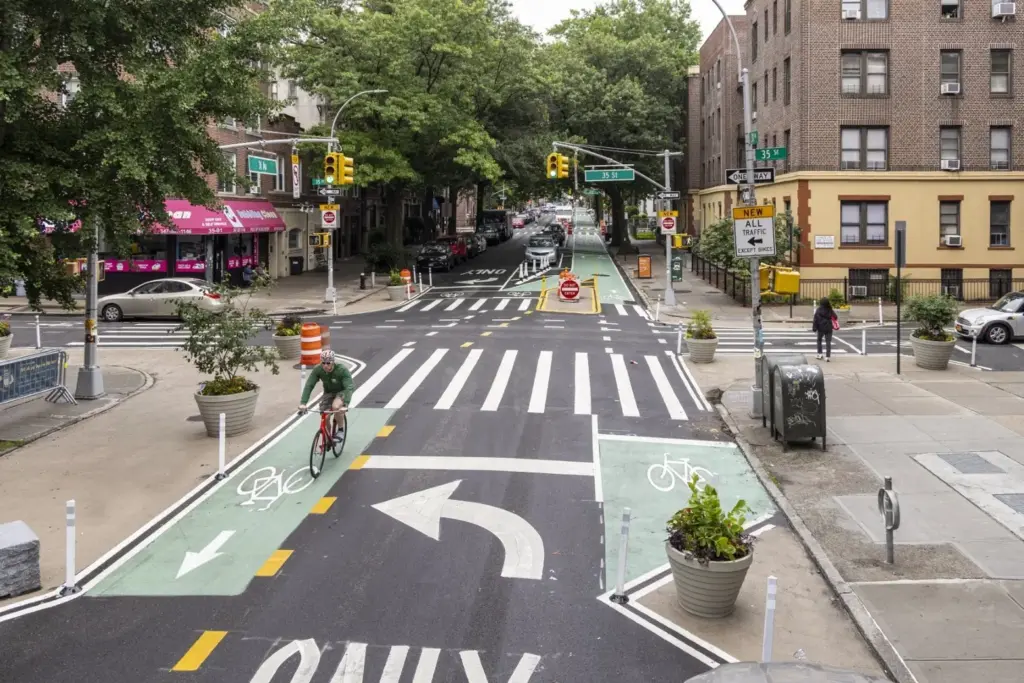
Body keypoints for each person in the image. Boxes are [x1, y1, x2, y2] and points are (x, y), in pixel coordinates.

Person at [298, 349, 355, 438]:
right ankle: (328, 439)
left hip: (342, 392)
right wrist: (303, 403)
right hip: (328, 392)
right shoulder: (318, 369)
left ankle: (340, 430)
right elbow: (309, 385)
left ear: (333, 362)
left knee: (336, 406)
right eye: (323, 363)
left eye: (328, 363)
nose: (325, 365)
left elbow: (349, 388)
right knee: (325, 417)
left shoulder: (342, 370)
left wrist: (346, 404)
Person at [813, 297, 837, 362]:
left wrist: (814, 328)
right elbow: (835, 317)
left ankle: (820, 354)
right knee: (828, 342)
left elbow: (815, 319)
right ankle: (827, 357)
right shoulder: (830, 309)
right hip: (829, 327)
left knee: (819, 340)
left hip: (820, 328)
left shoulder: (818, 310)